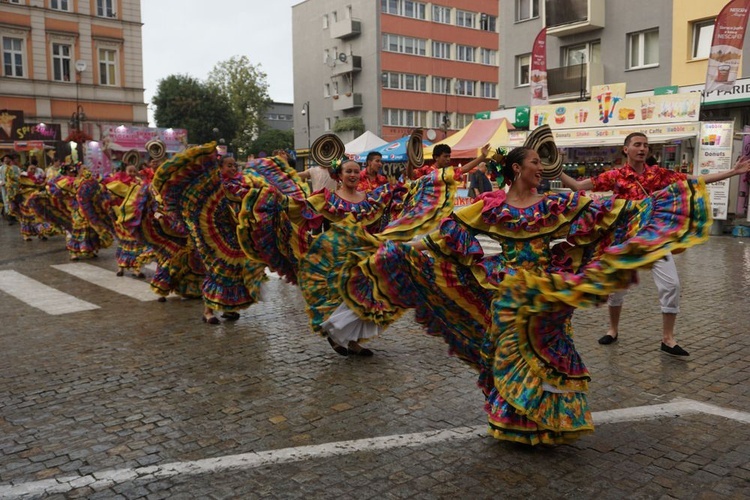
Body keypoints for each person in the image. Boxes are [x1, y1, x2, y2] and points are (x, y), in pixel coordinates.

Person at [559, 132, 750, 356]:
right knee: (617, 288)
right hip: (624, 238)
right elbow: (578, 185)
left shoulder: (657, 174)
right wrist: (556, 170)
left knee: (672, 285)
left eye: (646, 145)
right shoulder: (615, 175)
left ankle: (667, 339)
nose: (642, 149)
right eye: (637, 145)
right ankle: (612, 329)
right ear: (626, 149)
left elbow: (693, 181)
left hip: (653, 237)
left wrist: (732, 172)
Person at [409, 143, 490, 180]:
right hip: (427, 212)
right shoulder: (426, 170)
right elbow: (410, 174)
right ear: (436, 157)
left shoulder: (449, 171)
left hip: (446, 212)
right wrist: (410, 158)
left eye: (449, 156)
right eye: (445, 156)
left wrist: (482, 157)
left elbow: (465, 168)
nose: (448, 159)